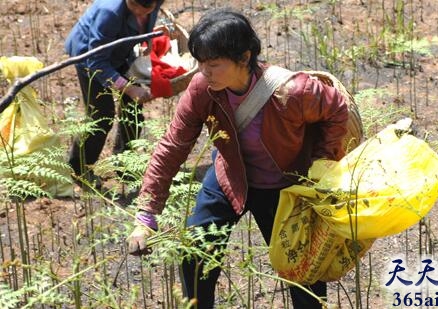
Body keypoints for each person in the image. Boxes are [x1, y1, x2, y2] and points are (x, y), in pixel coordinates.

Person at [127, 8, 349, 308]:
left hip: (284, 188)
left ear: (244, 58)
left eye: (214, 65)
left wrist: (323, 163)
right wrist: (147, 214)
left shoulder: (292, 91)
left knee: (303, 273)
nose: (204, 72)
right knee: (196, 255)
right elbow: (172, 145)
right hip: (230, 176)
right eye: (201, 63)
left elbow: (337, 109)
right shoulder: (203, 89)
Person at [64, 0, 167, 187]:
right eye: (135, 7)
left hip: (120, 51)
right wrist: (129, 88)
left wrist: (148, 38)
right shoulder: (109, 13)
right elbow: (96, 61)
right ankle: (78, 169)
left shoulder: (154, 1)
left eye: (147, 10)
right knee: (101, 115)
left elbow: (145, 18)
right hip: (89, 58)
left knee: (133, 106)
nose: (140, 13)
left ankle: (125, 163)